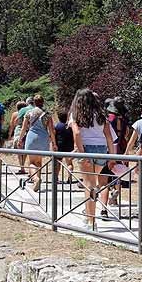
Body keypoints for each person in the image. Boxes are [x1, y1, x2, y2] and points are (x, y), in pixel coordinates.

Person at [68, 89, 117, 230]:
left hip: (86, 148)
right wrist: (112, 156)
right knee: (94, 183)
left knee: (88, 186)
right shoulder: (101, 115)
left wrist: (82, 153)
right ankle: (89, 216)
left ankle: (91, 220)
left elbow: (77, 133)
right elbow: (109, 137)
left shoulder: (76, 114)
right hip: (101, 150)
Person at [17, 94, 56, 192]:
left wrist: (20, 139)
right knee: (38, 161)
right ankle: (36, 182)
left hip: (31, 137)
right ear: (43, 102)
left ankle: (36, 179)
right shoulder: (47, 114)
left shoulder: (29, 113)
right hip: (43, 138)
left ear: (34, 102)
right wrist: (54, 143)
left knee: (31, 162)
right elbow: (51, 130)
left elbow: (24, 128)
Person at [12, 98, 34, 172]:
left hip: (20, 131)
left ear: (27, 103)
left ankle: (22, 167)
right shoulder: (35, 109)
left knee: (19, 149)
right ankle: (25, 166)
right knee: (25, 150)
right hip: (31, 131)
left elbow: (16, 121)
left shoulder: (23, 110)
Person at [54, 108, 75, 183]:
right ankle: (70, 178)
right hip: (69, 145)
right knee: (69, 163)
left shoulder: (57, 126)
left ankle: (56, 178)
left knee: (58, 162)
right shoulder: (69, 126)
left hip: (60, 146)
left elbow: (54, 136)